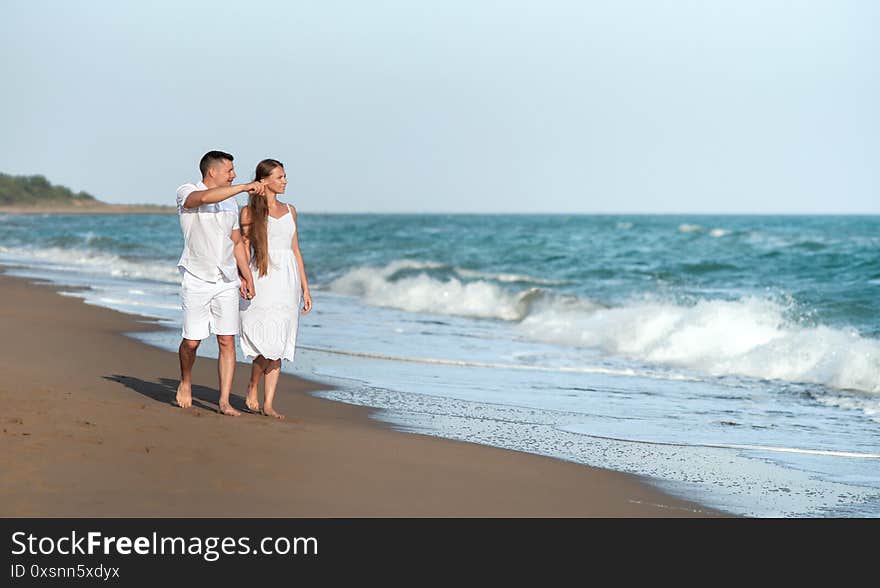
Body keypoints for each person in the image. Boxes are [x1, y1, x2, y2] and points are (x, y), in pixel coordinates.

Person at [175, 150, 265, 416]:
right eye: (230, 171)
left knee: (227, 340)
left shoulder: (230, 204)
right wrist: (244, 187)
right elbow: (201, 199)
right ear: (212, 171)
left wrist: (246, 274)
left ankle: (224, 401)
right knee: (192, 342)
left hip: (226, 279)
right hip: (196, 276)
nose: (234, 175)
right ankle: (186, 381)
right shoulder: (186, 190)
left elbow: (235, 241)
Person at [238, 158, 312, 419]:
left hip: (288, 280)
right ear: (265, 181)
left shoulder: (291, 210)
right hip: (263, 276)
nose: (285, 181)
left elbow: (295, 250)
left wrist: (305, 287)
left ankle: (268, 404)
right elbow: (244, 248)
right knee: (264, 342)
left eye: (284, 176)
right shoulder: (249, 213)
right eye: (280, 177)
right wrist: (244, 278)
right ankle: (252, 385)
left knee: (279, 342)